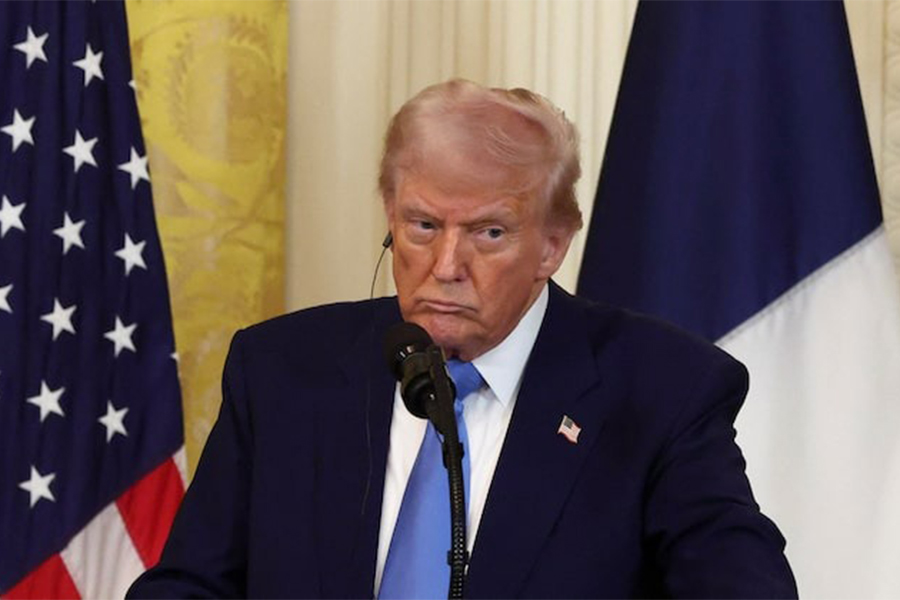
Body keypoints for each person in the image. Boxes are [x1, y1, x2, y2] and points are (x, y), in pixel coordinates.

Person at [128, 79, 797, 598]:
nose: (447, 266)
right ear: (390, 215)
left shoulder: (662, 392)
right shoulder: (281, 372)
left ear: (553, 245)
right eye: (422, 226)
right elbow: (190, 586)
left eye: (489, 233)